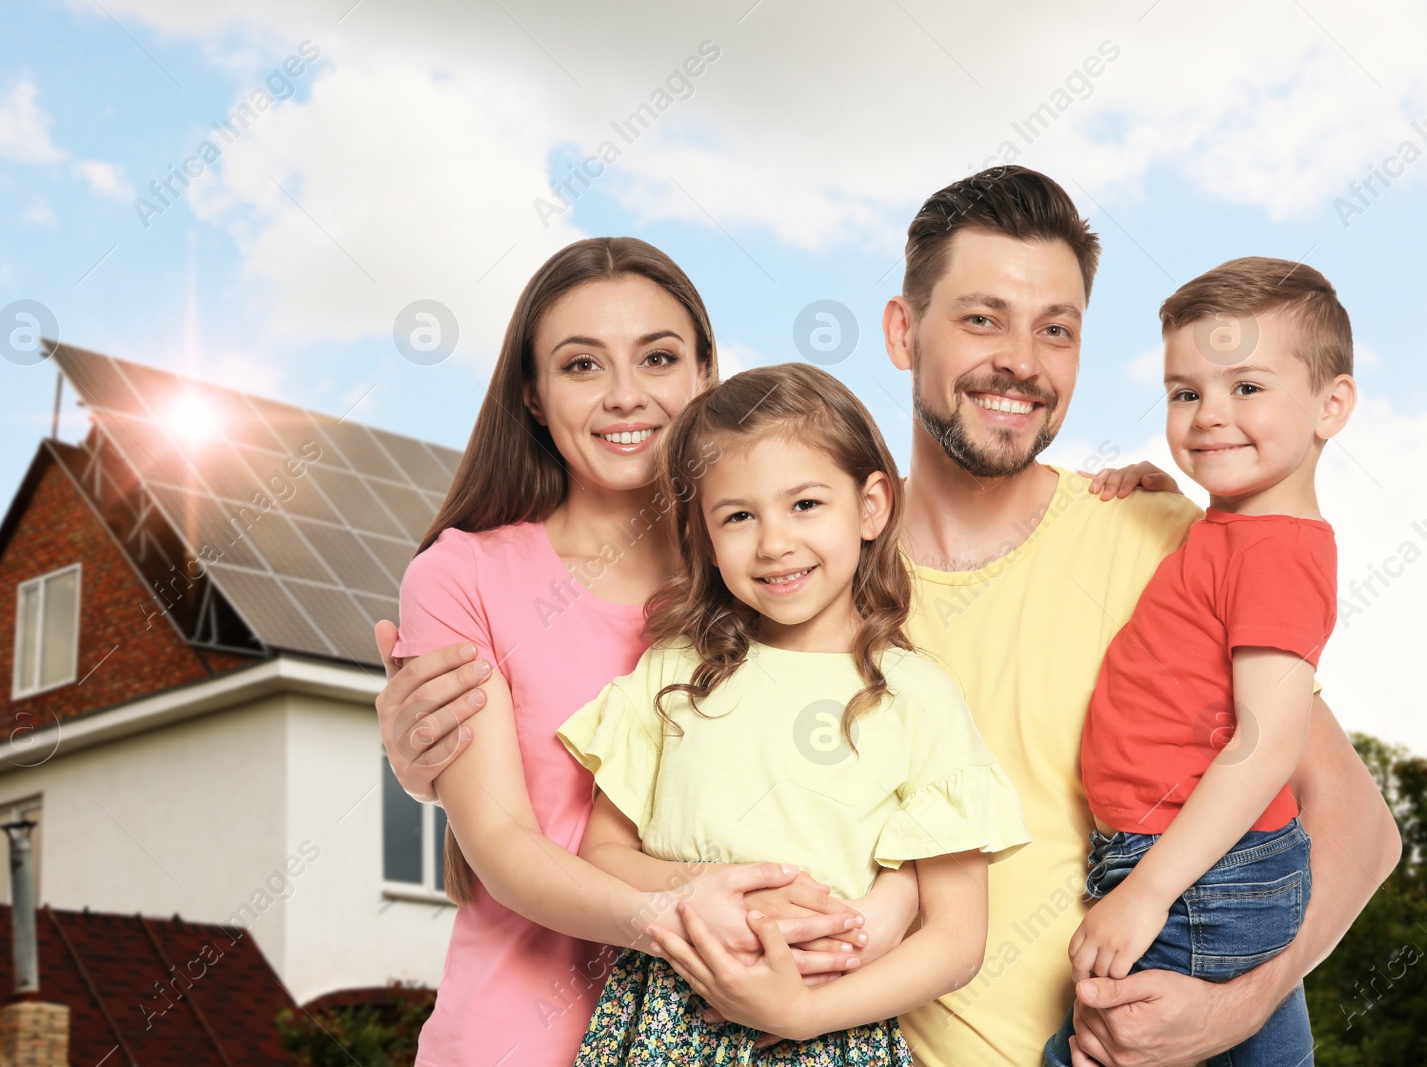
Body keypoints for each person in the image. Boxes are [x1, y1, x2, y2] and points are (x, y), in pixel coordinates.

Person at [373, 166, 1401, 1067]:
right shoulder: (796, 571)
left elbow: (1355, 830)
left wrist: (1235, 1005)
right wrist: (427, 762)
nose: (1020, 359)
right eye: (980, 317)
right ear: (903, 332)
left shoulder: (1153, 537)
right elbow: (620, 767)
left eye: (1057, 328)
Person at [389, 236, 915, 1067]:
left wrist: (882, 909)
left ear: (705, 372)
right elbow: (501, 844)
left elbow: (902, 781)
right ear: (531, 393)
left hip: (740, 1041)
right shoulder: (462, 575)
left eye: (659, 357)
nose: (625, 396)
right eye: (581, 366)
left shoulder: (778, 569)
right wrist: (678, 906)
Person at [559, 363, 1031, 1064]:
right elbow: (602, 854)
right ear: (705, 535)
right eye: (739, 515)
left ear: (871, 506)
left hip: (828, 1031)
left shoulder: (918, 697)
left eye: (805, 504)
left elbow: (956, 941)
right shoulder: (673, 673)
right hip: (663, 1018)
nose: (774, 542)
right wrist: (699, 891)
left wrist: (809, 1012)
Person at [1044, 258, 1357, 1066]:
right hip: (1191, 862)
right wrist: (1169, 495)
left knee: (1101, 1045)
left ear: (1333, 405)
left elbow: (1266, 744)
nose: (1209, 415)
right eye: (1187, 393)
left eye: (1246, 388)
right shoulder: (1234, 527)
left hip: (1192, 869)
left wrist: (1147, 892)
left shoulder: (1279, 554)